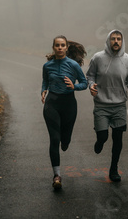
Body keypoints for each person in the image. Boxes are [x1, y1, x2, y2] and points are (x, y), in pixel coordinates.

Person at [86, 29, 128, 182]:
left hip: (120, 105)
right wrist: (91, 85)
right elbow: (90, 75)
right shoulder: (97, 58)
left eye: (118, 39)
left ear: (122, 41)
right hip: (101, 105)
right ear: (108, 41)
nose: (116, 41)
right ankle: (100, 141)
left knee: (118, 138)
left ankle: (113, 169)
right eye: (113, 39)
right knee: (103, 136)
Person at [41, 35, 87, 190]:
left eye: (62, 45)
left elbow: (84, 83)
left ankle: (65, 141)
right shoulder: (47, 66)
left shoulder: (73, 65)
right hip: (51, 104)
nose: (59, 48)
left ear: (67, 48)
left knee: (64, 140)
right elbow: (45, 81)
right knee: (54, 138)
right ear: (53, 48)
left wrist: (74, 87)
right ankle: (56, 175)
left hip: (69, 104)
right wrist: (43, 90)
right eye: (57, 45)